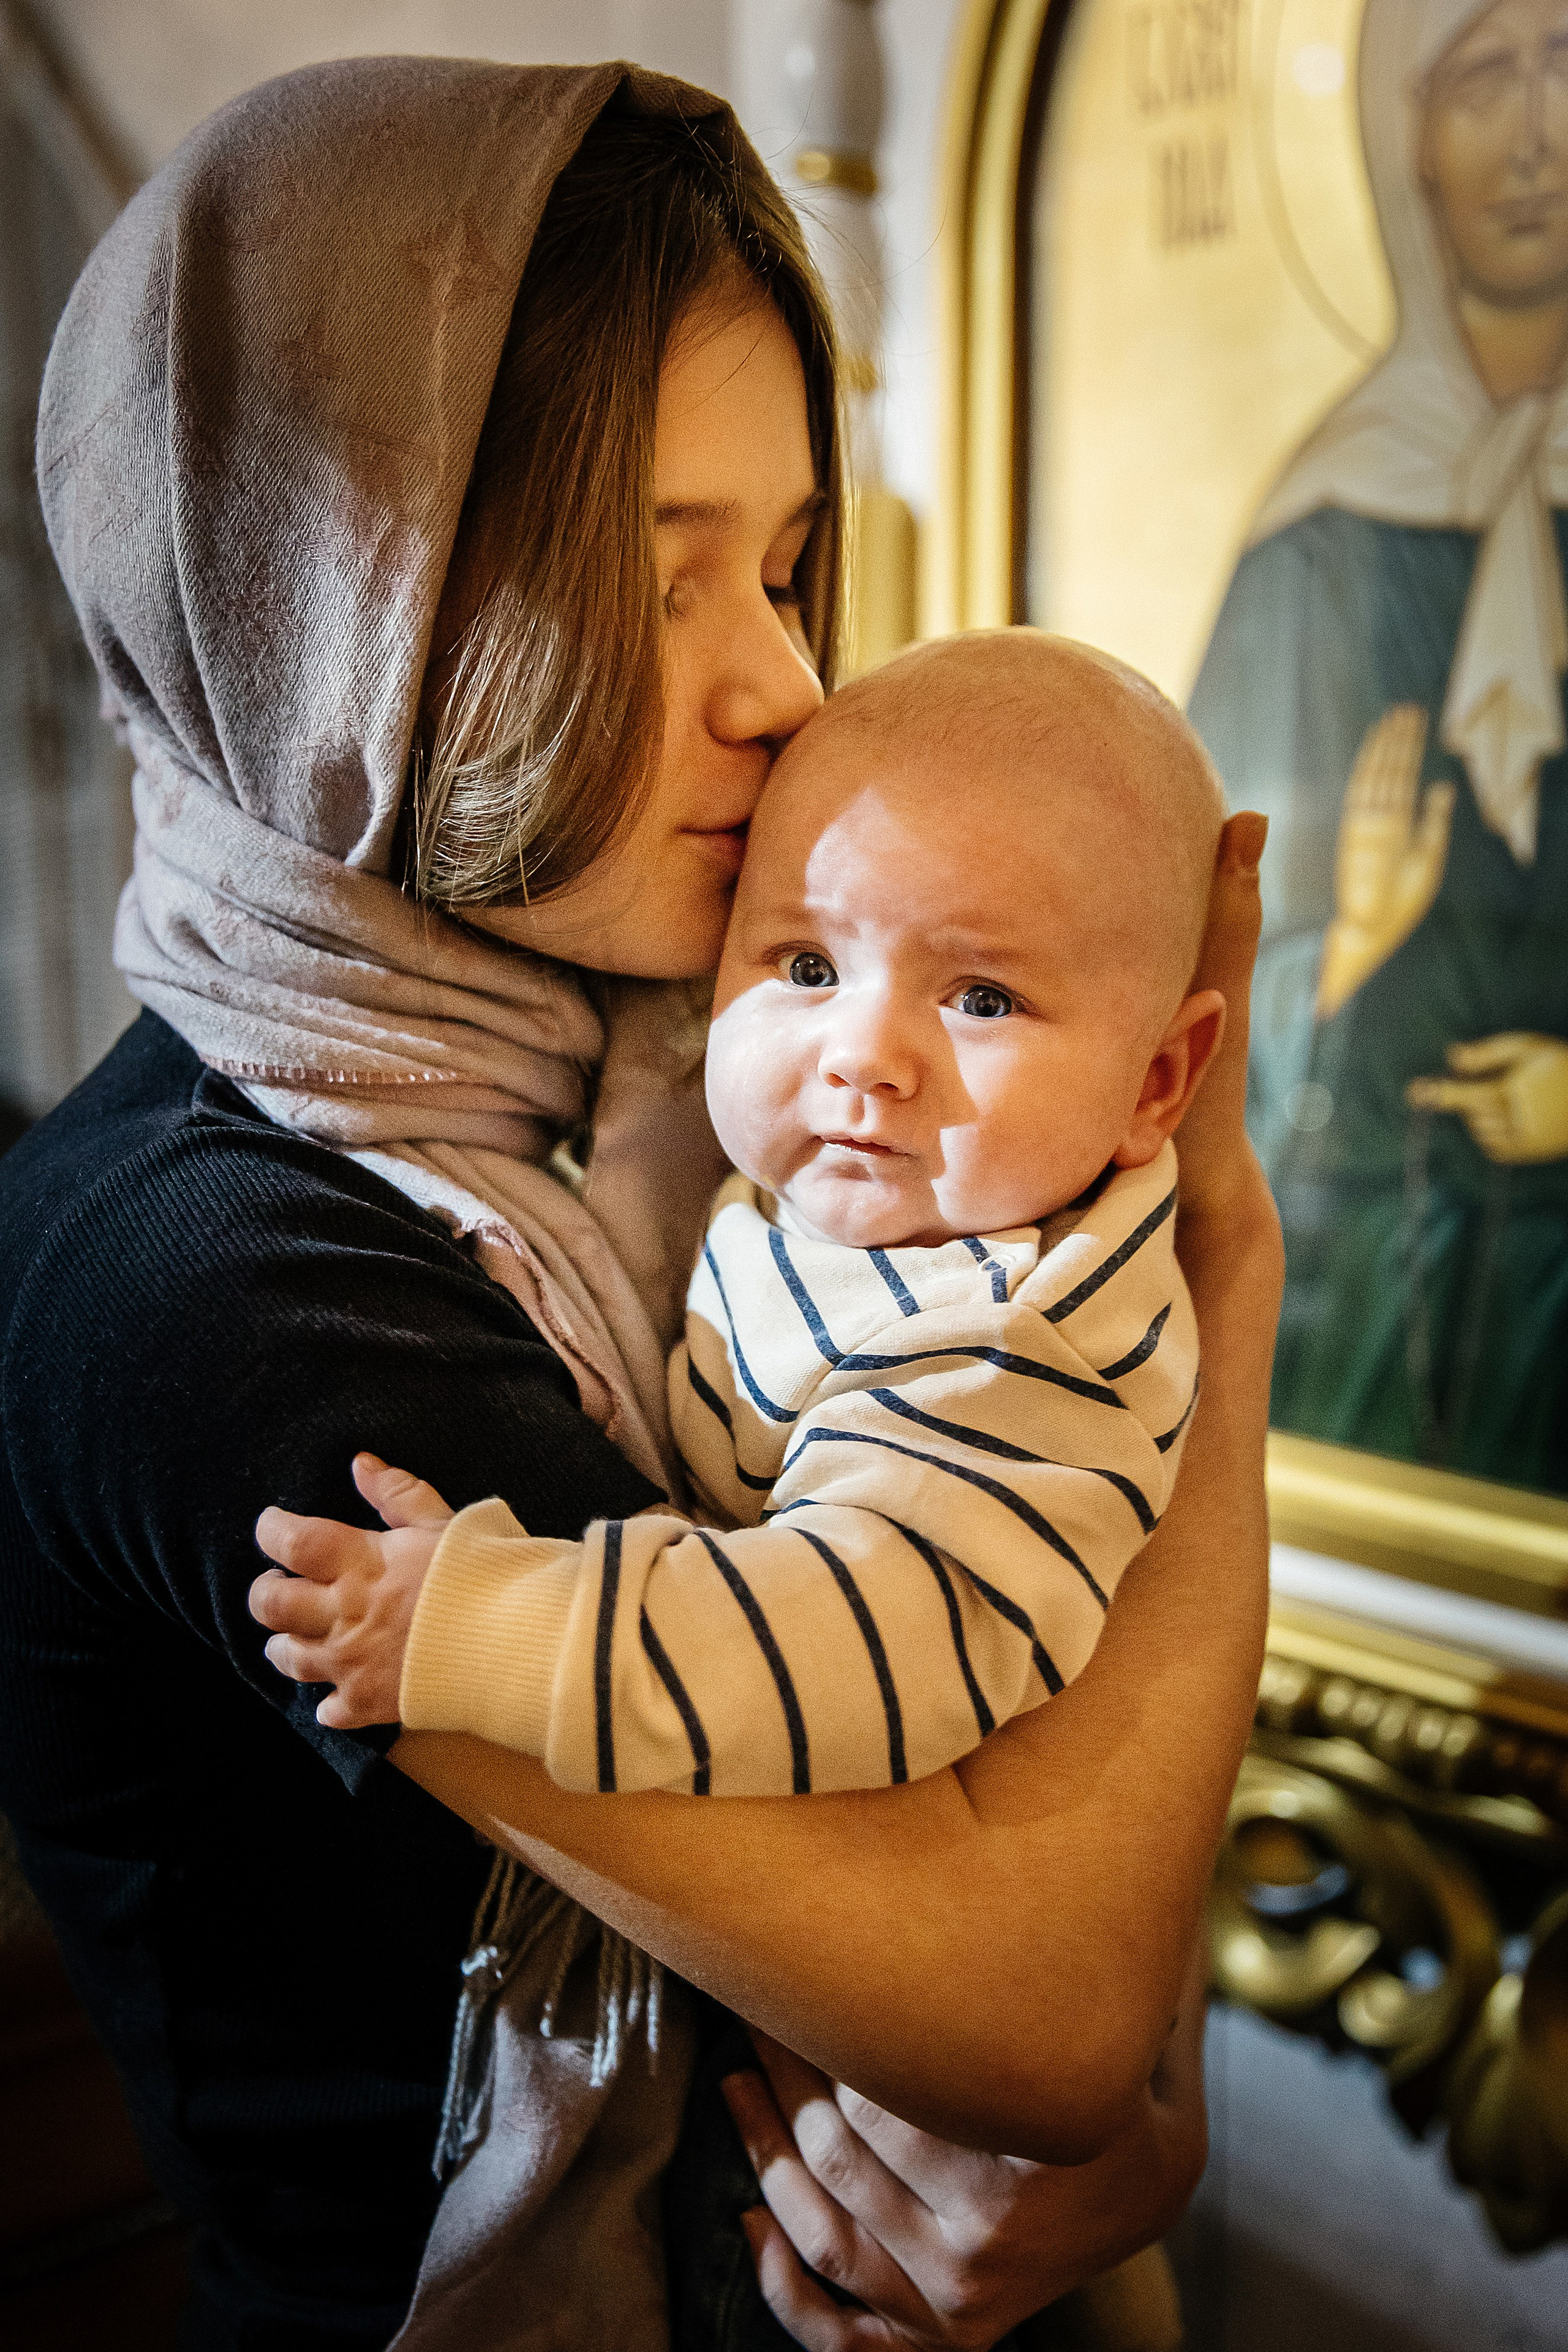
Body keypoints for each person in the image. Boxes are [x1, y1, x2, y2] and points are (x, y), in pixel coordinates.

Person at [0, 52, 1281, 2352]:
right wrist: (1225, 1261)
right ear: (324, 593)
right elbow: (1042, 2009)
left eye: (788, 568)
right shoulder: (207, 1280)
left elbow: (1014, 1742)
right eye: (652, 571)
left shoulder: (669, 1088)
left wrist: (1129, 2111)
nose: (789, 688)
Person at [249, 633, 1226, 1806]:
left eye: (981, 998)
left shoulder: (1014, 1354)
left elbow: (843, 1643)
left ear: (1158, 1083)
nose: (862, 1057)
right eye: (809, 966)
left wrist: (479, 1632)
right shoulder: (876, 1184)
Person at [1189, 0, 1568, 1490]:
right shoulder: (1317, 541)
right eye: (1479, 75)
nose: (1534, 130)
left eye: (1564, 68)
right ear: (1397, 135)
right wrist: (1342, 945)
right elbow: (1185, 984)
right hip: (1359, 1309)